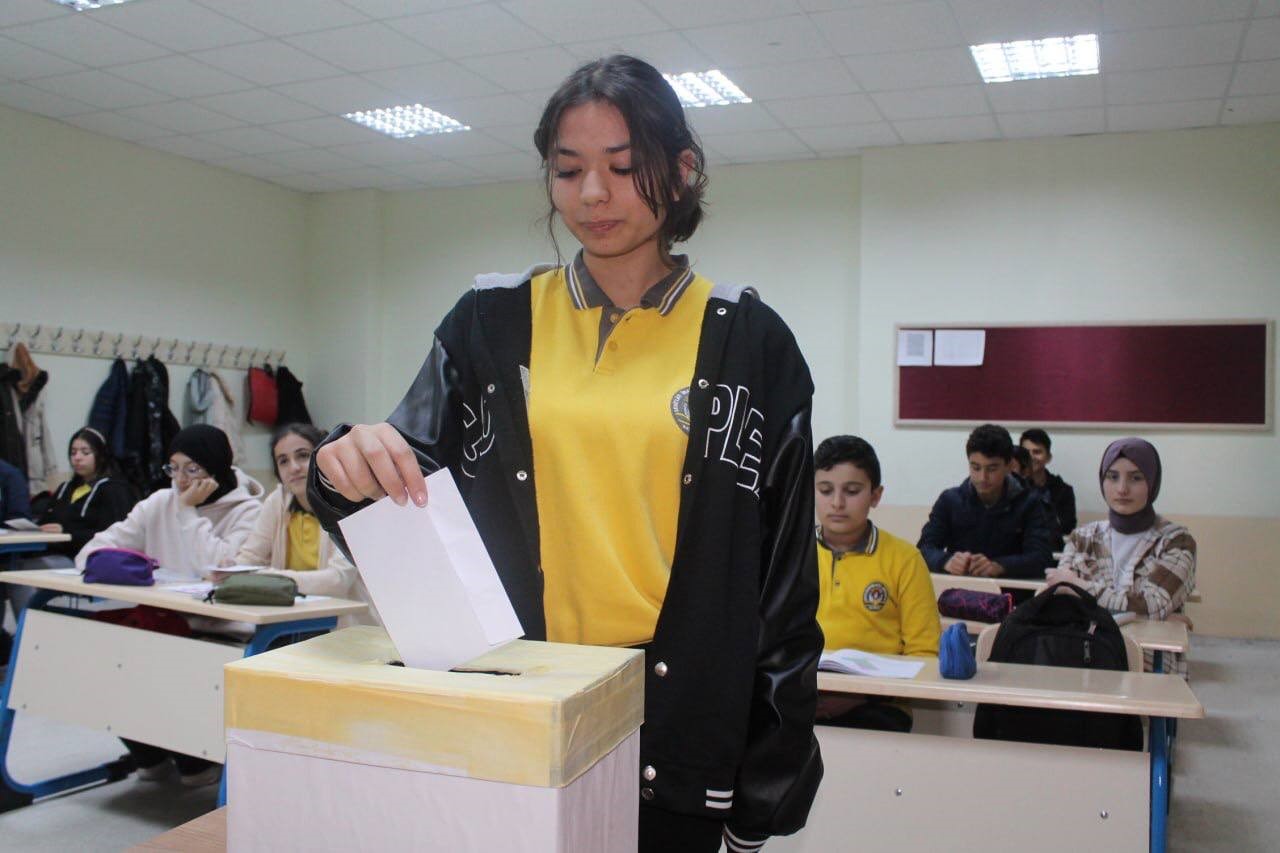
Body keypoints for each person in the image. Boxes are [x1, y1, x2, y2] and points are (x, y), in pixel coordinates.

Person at [309, 55, 822, 853]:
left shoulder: (751, 343)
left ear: (683, 172)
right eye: (568, 169)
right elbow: (397, 479)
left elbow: (784, 584)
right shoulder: (490, 323)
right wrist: (340, 464)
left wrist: (766, 791)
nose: (592, 194)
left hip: (676, 730)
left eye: (623, 166)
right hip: (514, 710)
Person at [76, 424, 264, 788]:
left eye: (192, 469)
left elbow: (221, 572)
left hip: (220, 629)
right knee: (102, 660)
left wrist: (188, 513)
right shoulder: (159, 502)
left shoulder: (247, 511)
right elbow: (94, 550)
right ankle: (150, 754)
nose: (180, 479)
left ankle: (195, 761)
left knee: (168, 665)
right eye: (173, 468)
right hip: (163, 620)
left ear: (216, 468)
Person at [813, 436, 939, 733]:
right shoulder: (788, 555)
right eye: (825, 490)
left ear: (875, 495)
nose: (837, 503)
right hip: (798, 698)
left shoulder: (904, 559)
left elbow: (924, 654)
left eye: (852, 491)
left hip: (878, 704)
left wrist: (860, 695)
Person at [1047, 437, 1195, 676]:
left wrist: (1080, 587)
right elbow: (1062, 601)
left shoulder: (1176, 541)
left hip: (1148, 666)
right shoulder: (1082, 537)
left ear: (1153, 482)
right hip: (1083, 658)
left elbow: (1152, 605)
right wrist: (1142, 616)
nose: (1122, 489)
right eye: (1113, 477)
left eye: (1136, 478)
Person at [234, 423, 373, 623]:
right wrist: (231, 573)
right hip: (290, 619)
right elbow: (249, 557)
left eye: (303, 455)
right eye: (283, 461)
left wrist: (267, 577)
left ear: (321, 457)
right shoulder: (277, 501)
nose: (294, 467)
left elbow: (337, 581)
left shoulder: (347, 501)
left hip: (345, 624)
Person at [918, 423, 1054, 579]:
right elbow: (923, 549)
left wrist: (999, 566)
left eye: (992, 469)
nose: (982, 478)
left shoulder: (1030, 503)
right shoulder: (949, 500)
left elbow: (1042, 558)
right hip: (959, 589)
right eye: (976, 468)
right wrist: (946, 561)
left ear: (1009, 466)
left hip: (1009, 590)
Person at [36, 427, 137, 560]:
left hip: (89, 558)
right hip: (53, 552)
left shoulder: (114, 489)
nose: (77, 458)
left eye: (85, 452)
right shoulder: (65, 488)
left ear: (101, 456)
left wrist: (68, 533)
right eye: (73, 453)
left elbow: (113, 534)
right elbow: (45, 522)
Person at [1019, 428, 1077, 548]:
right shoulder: (1012, 488)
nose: (1031, 457)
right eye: (1026, 452)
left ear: (1048, 457)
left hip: (1053, 551)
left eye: (1037, 452)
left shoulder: (1063, 491)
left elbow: (1067, 528)